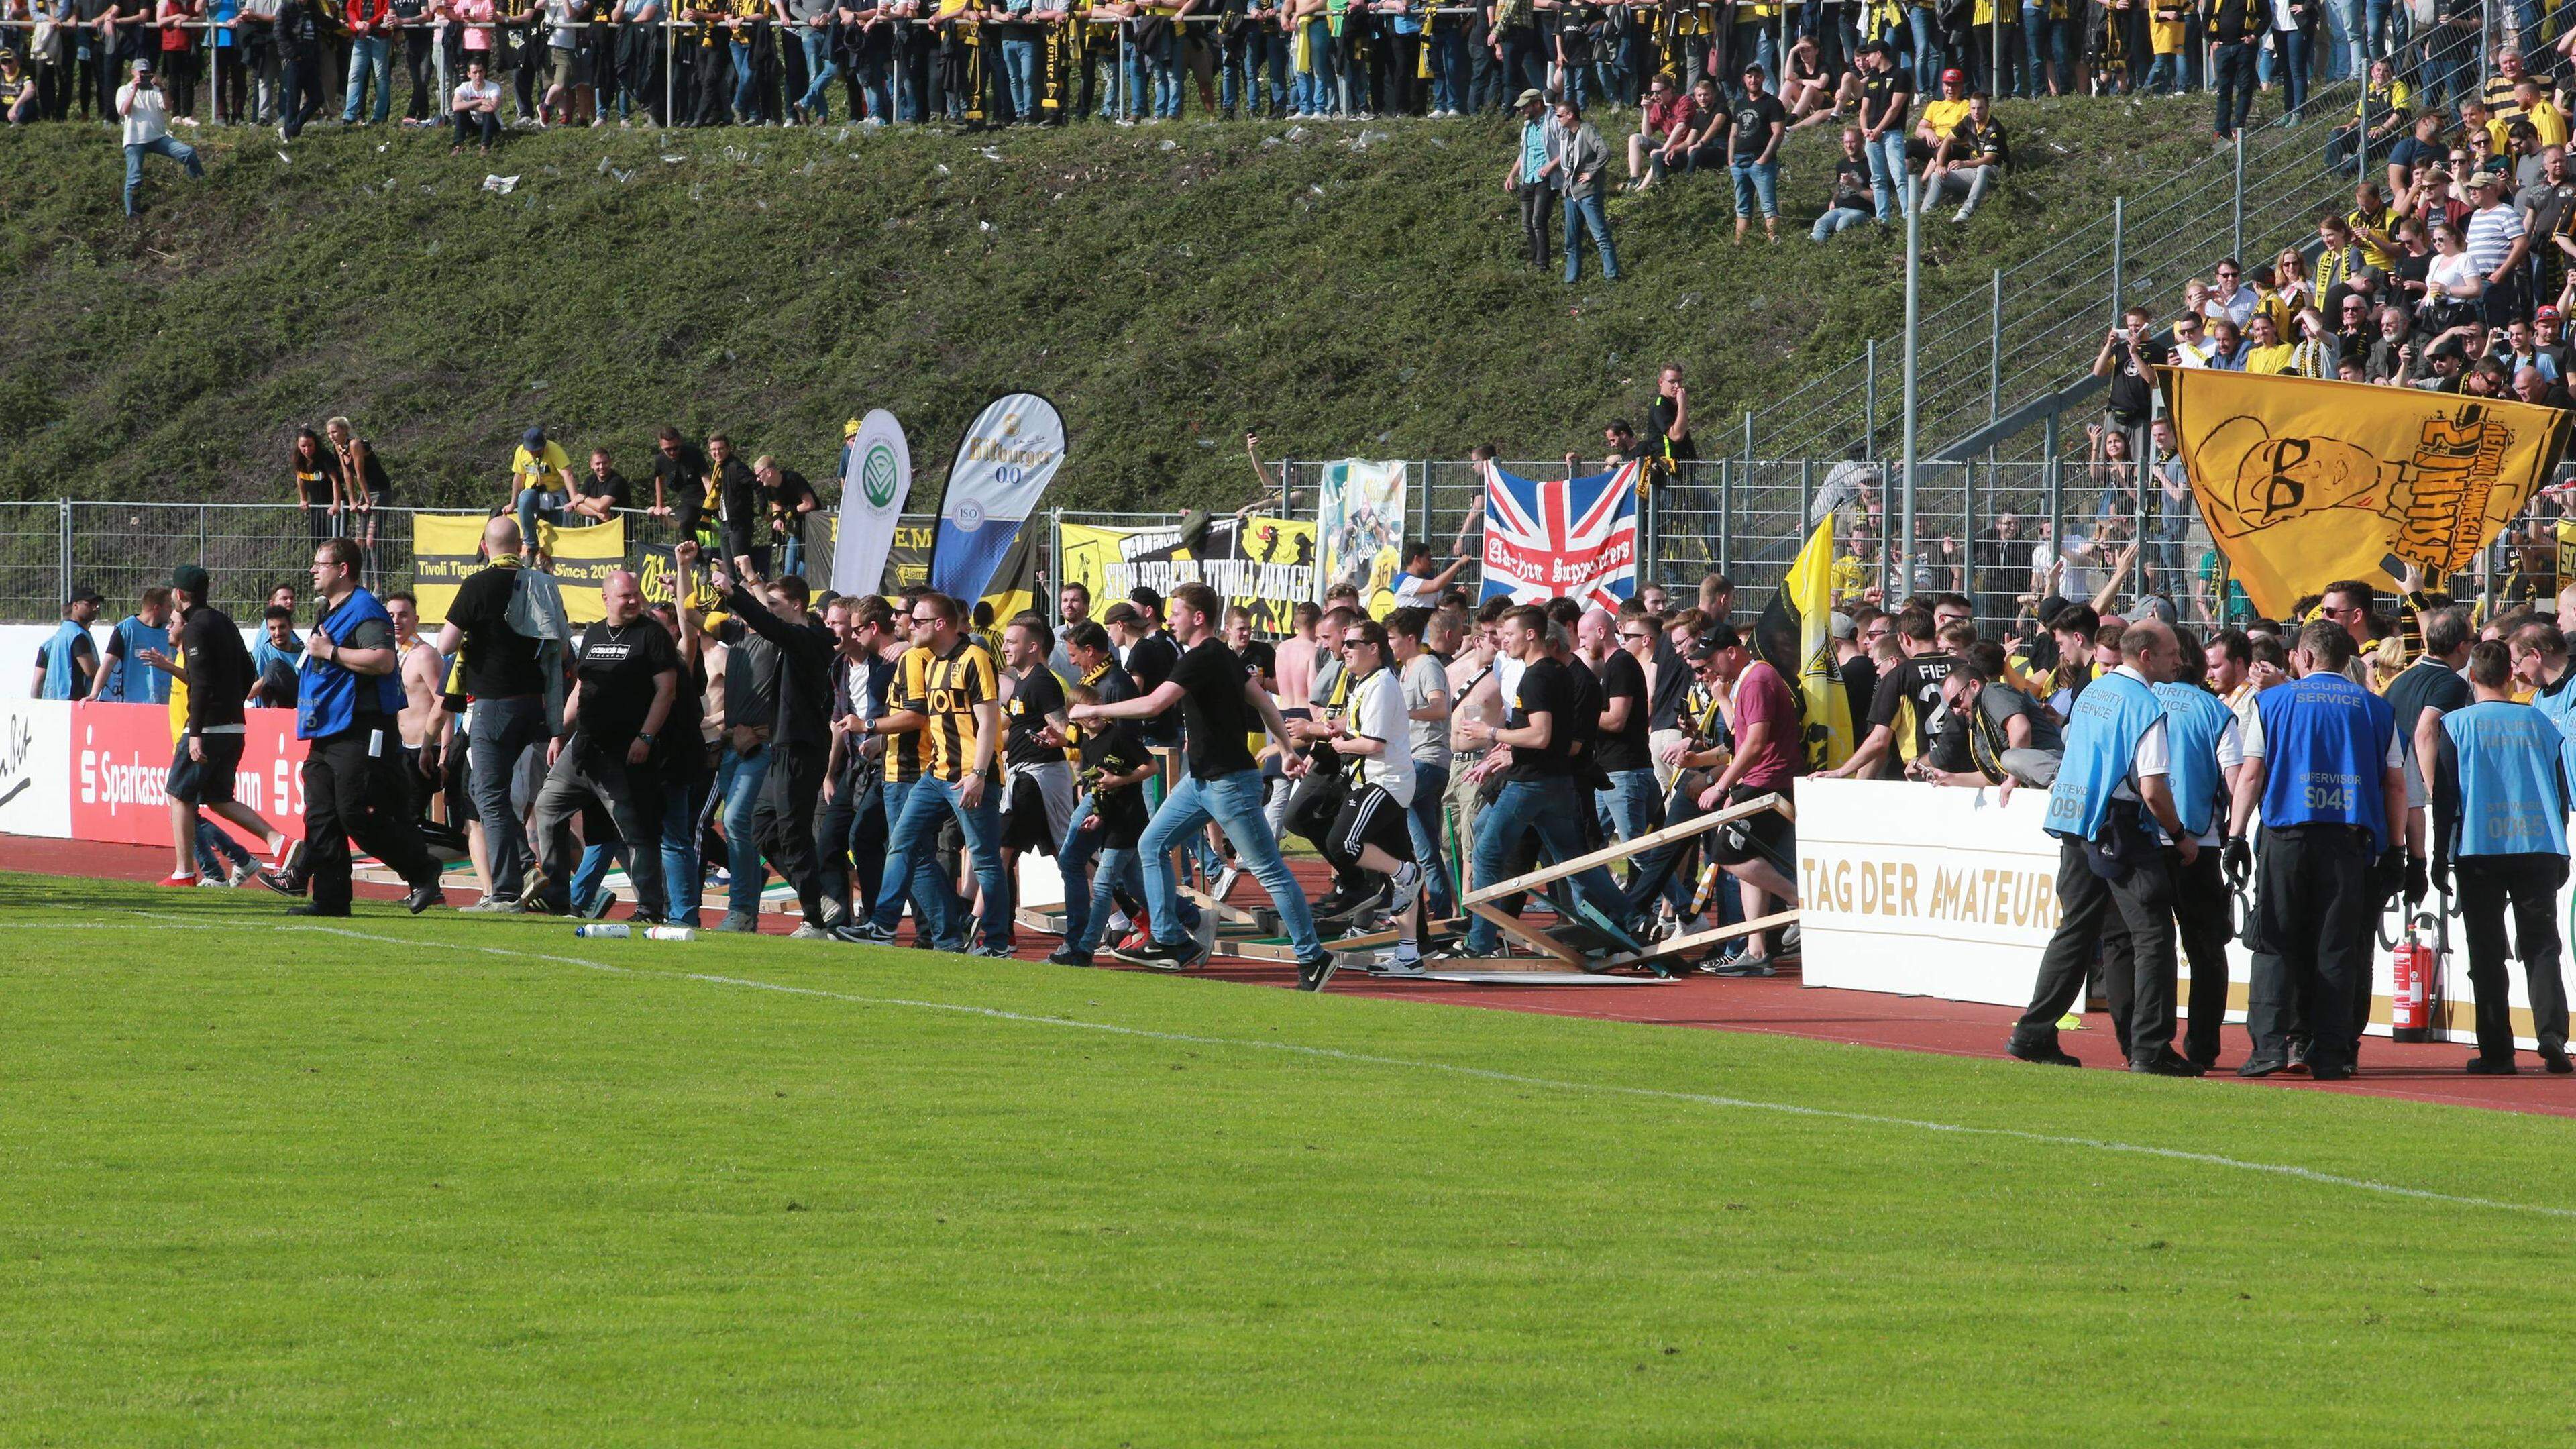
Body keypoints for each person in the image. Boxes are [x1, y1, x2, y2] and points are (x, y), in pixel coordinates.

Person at [1070, 582, 1330, 985]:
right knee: (1151, 844)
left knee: (1269, 870)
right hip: (1203, 780)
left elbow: (1154, 704)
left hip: (1229, 783)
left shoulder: (1204, 657)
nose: (1168, 619)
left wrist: (1094, 708)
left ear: (1198, 617)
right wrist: (1287, 748)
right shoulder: (1221, 655)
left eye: (1175, 612)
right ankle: (1173, 940)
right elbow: (1263, 701)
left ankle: (1312, 958)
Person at [2008, 619, 2197, 1073]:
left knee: (2077, 931)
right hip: (2120, 826)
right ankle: (2149, 1048)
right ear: (2147, 656)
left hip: (2076, 820)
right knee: (2152, 936)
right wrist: (2179, 834)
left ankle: (2034, 1031)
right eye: (2173, 652)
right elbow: (2152, 788)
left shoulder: (2093, 691)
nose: (2180, 660)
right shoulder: (2145, 705)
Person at [2225, 620, 2408, 1081]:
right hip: (2347, 839)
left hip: (2288, 835)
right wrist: (2398, 847)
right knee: (2337, 947)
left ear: (2304, 657)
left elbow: (2251, 775)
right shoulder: (2375, 708)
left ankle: (2269, 1046)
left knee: (2275, 942)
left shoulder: (2271, 701)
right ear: (2347, 658)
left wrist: (2235, 834)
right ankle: (2331, 1052)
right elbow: (2395, 783)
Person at [264, 539, 445, 918]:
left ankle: (422, 868)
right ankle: (330, 899)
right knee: (321, 815)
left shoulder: (366, 611)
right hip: (329, 729)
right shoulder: (330, 611)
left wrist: (330, 652)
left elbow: (381, 659)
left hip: (361, 728)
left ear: (343, 569)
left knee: (355, 813)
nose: (313, 570)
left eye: (320, 564)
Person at [1445, 604, 1629, 964]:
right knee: (1572, 863)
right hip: (1553, 781)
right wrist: (1507, 745)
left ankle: (1480, 940)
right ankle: (1632, 915)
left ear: (1531, 634)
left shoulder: (1539, 677)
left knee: (1487, 853)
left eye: (1510, 634)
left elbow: (1543, 735)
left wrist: (1492, 733)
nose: (1503, 641)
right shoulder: (1559, 673)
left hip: (1533, 782)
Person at [2432, 639, 2574, 1074]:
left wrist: (2441, 854)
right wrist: (2561, 847)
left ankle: (2497, 1049)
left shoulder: (2456, 725)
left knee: (2487, 950)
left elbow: (2445, 797)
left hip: (2482, 848)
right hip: (2537, 845)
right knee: (2542, 944)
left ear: (2472, 677)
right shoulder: (2540, 723)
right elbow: (2561, 791)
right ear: (2511, 676)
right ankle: (2551, 1034)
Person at [856, 590, 1013, 953]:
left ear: (940, 624)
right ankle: (883, 924)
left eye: (919, 620)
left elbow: (988, 722)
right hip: (936, 774)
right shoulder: (933, 664)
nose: (910, 625)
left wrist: (978, 773)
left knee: (986, 859)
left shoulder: (975, 658)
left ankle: (998, 942)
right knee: (902, 843)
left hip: (970, 777)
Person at [525, 570, 679, 920]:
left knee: (634, 832)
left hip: (623, 750)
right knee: (548, 808)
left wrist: (646, 737)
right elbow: (581, 691)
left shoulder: (652, 635)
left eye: (635, 594)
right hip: (583, 747)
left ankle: (651, 908)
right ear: (606, 598)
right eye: (625, 596)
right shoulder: (594, 633)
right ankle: (558, 899)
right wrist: (558, 734)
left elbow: (666, 691)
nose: (633, 600)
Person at [708, 565, 844, 938]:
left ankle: (814, 920)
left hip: (802, 749)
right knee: (761, 827)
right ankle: (816, 896)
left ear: (797, 606)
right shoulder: (792, 639)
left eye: (774, 603)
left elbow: (768, 626)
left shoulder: (808, 639)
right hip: (785, 748)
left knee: (793, 832)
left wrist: (734, 591)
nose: (768, 610)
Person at [433, 515, 559, 911]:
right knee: (501, 795)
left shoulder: (477, 583)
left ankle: (506, 888)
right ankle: (524, 868)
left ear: (485, 546)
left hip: (492, 702)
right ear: (520, 545)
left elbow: (445, 643)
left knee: (488, 793)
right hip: (535, 703)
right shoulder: (541, 582)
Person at [150, 566, 295, 890]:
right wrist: (232, 703)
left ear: (180, 595)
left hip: (208, 726)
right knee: (217, 797)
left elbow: (200, 683)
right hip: (235, 725)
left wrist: (196, 732)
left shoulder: (196, 628)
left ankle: (184, 872)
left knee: (178, 794)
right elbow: (248, 671)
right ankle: (279, 841)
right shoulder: (225, 622)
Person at [1315, 617, 1428, 973]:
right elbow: (1367, 727)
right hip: (1380, 780)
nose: (1344, 650)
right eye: (1344, 643)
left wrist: (1340, 742)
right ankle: (1410, 953)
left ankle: (1403, 874)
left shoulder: (1380, 684)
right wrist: (1340, 727)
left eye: (1352, 644)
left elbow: (1374, 743)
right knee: (1398, 867)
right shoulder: (1367, 682)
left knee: (1341, 844)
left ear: (1373, 649)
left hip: (1384, 782)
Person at [1542, 98, 1617, 284]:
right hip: (1571, 193)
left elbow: (1604, 152)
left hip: (1588, 192)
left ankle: (1612, 277)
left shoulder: (1587, 130)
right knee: (1572, 239)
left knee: (1600, 235)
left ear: (1570, 115)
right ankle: (1571, 280)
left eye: (1559, 115)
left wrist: (1591, 173)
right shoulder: (1566, 135)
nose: (1557, 119)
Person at [115, 59, 202, 218]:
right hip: (135, 140)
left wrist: (162, 87)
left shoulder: (155, 90)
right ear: (133, 72)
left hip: (157, 137)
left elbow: (168, 107)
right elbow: (124, 111)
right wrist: (134, 91)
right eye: (140, 72)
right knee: (134, 178)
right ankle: (133, 216)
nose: (143, 76)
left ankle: (201, 187)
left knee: (188, 153)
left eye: (146, 72)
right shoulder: (124, 90)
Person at [1923, 87, 2004, 222]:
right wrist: (1940, 165)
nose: (1976, 112)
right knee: (1937, 176)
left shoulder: (1994, 128)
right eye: (1973, 108)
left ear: (1988, 108)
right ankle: (1924, 217)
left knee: (1983, 169)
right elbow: (1948, 139)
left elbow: (1989, 160)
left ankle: (1966, 211)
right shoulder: (1968, 121)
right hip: (1974, 172)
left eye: (1980, 108)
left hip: (1995, 172)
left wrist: (1964, 163)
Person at [1726, 62, 1786, 243]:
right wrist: (1730, 160)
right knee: (1742, 208)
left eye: (1757, 76)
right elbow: (1734, 134)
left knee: (1768, 206)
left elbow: (1778, 133)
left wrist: (1764, 159)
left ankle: (1774, 243)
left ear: (1763, 78)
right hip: (1739, 162)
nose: (1753, 80)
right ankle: (1740, 245)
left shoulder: (1773, 103)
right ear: (1745, 79)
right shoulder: (1740, 104)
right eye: (1750, 76)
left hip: (1761, 163)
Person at [89, 586, 173, 704]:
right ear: (157, 608)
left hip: (166, 704)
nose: (172, 611)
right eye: (169, 606)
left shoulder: (171, 631)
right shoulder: (126, 629)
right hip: (134, 704)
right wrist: (94, 694)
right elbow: (108, 663)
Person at [509, 425, 578, 548]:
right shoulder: (520, 451)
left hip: (554, 493)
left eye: (537, 449)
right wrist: (512, 503)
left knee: (559, 530)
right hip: (533, 493)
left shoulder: (554, 449)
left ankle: (563, 556)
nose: (533, 452)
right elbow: (518, 477)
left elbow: (567, 474)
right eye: (530, 450)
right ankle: (531, 544)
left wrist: (574, 499)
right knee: (524, 500)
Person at [32, 586, 103, 700]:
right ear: (76, 606)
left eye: (96, 604)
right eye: (90, 604)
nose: (95, 608)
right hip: (73, 703)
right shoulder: (78, 636)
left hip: (52, 701)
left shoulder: (56, 638)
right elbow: (92, 672)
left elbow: (38, 682)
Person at [1812, 125, 1877, 240]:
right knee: (1820, 223)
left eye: (1852, 142)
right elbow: (1840, 186)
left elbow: (1876, 198)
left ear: (1861, 142)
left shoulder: (1870, 165)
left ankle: (1839, 247)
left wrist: (1854, 185)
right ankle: (1817, 246)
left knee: (1843, 224)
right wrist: (1833, 200)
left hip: (1861, 210)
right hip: (1840, 208)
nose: (1849, 146)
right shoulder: (1842, 165)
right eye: (1846, 142)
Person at [450, 56, 502, 146]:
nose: (478, 76)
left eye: (481, 72)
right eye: (475, 73)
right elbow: (456, 106)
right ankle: (458, 145)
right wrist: (481, 101)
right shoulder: (463, 87)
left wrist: (467, 105)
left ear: (485, 72)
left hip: (492, 125)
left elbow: (492, 108)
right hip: (473, 125)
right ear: (468, 74)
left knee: (488, 114)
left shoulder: (493, 87)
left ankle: (485, 146)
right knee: (460, 112)